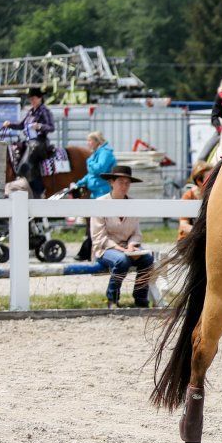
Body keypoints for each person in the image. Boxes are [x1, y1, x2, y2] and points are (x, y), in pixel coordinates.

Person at [91, 165, 154, 309]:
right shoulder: (100, 204)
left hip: (128, 247)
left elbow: (136, 232)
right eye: (121, 182)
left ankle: (140, 298)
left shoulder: (132, 204)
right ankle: (112, 299)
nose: (124, 186)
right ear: (111, 182)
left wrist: (132, 244)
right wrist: (120, 248)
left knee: (148, 259)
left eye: (127, 183)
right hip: (105, 248)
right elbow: (98, 237)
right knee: (122, 260)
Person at [2, 87, 55, 197]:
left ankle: (33, 185)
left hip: (40, 142)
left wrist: (39, 126)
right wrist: (10, 124)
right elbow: (21, 125)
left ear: (40, 98)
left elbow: (51, 127)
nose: (32, 101)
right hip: (29, 141)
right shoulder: (30, 111)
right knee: (15, 150)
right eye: (31, 99)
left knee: (28, 160)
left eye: (34, 98)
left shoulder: (44, 111)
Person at [71, 131, 116, 261]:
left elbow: (100, 169)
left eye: (90, 140)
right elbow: (91, 175)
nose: (88, 143)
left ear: (97, 141)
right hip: (96, 193)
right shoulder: (97, 153)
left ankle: (93, 252)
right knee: (93, 224)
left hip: (103, 192)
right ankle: (88, 251)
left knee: (98, 224)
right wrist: (79, 183)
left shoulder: (105, 153)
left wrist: (89, 163)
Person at [177, 162, 212, 240]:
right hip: (189, 239)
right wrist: (203, 233)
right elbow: (184, 225)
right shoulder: (188, 196)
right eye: (210, 179)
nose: (214, 181)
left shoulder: (213, 196)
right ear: (199, 182)